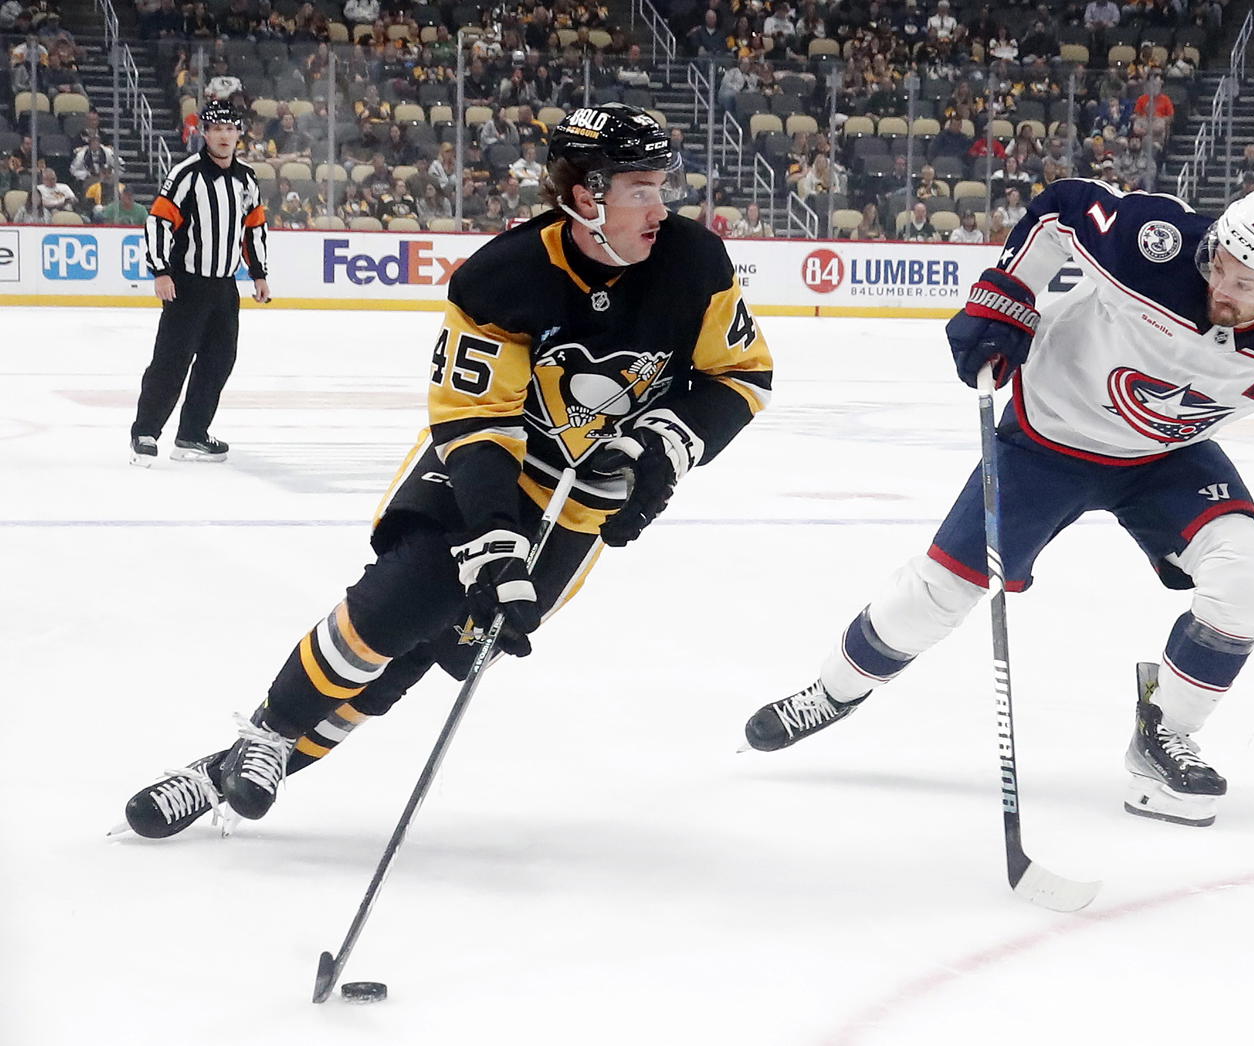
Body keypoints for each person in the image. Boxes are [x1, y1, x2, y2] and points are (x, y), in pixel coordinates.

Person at [742, 180, 1254, 829]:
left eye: (1246, 282)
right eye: (1221, 262)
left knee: (1250, 580)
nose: (1221, 286)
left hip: (1166, 458)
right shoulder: (1153, 241)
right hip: (1045, 441)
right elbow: (1059, 208)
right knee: (940, 592)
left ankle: (1165, 735)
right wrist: (1004, 301)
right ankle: (834, 690)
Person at [117, 103, 775, 840]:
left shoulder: (694, 262)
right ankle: (270, 732)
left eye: (663, 186)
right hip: (482, 472)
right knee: (400, 604)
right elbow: (477, 422)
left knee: (427, 652)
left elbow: (740, 375)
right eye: (641, 189)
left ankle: (216, 774)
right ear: (588, 197)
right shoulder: (506, 276)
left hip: (575, 509)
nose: (662, 204)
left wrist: (660, 448)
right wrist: (494, 539)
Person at [129, 101, 270, 467]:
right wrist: (160, 270)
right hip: (187, 285)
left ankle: (192, 434)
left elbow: (254, 227)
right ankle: (145, 432)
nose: (224, 135)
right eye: (216, 128)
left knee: (218, 362)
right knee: (171, 361)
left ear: (239, 133)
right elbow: (158, 221)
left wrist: (259, 273)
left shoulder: (247, 179)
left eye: (230, 128)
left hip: (225, 287)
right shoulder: (187, 173)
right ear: (204, 133)